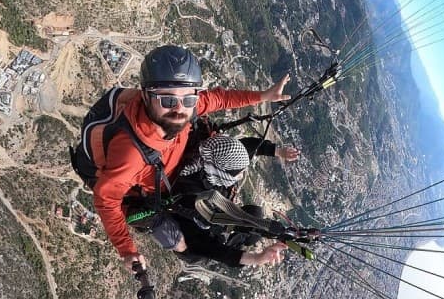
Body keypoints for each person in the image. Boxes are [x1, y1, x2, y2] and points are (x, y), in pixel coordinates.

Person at [92, 44, 290, 272]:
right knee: (185, 244)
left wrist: (263, 96)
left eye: (188, 100)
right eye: (167, 101)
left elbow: (219, 99)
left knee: (249, 213)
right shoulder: (130, 154)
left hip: (177, 173)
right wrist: (127, 250)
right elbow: (106, 201)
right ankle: (183, 251)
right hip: (152, 197)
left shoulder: (186, 107)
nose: (179, 109)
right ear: (146, 95)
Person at [153, 133, 300, 268]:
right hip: (196, 228)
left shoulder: (216, 153)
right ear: (221, 171)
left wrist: (278, 151)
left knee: (255, 217)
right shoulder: (194, 195)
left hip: (212, 214)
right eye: (238, 173)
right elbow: (214, 250)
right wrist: (255, 258)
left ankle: (241, 234)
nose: (241, 176)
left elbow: (246, 147)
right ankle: (180, 245)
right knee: (199, 256)